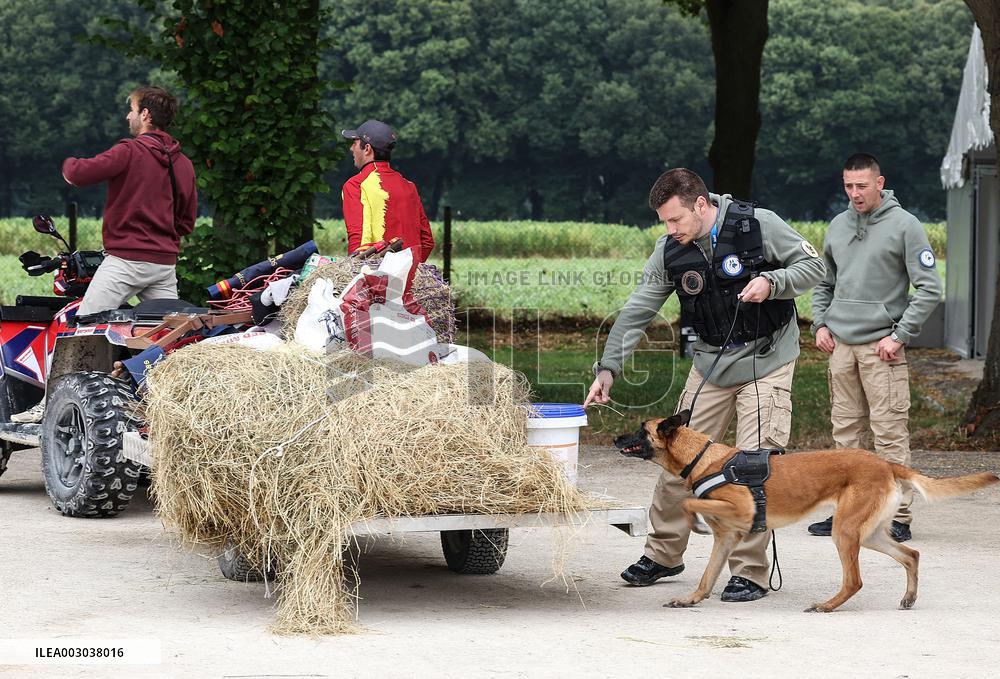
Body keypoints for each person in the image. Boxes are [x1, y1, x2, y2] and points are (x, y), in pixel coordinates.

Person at [584, 168, 825, 601]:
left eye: (675, 219)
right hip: (711, 363)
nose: (670, 229)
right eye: (664, 222)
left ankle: (749, 571)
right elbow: (637, 310)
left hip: (766, 359)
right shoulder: (669, 251)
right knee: (673, 454)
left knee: (754, 469)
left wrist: (773, 282)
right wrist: (608, 369)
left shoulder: (758, 225)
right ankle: (663, 555)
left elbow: (814, 267)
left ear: (700, 204)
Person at [11, 85, 196, 424]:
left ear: (146, 115)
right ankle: (166, 414)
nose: (127, 115)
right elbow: (186, 221)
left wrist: (65, 160)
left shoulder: (129, 151)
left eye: (132, 109)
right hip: (164, 266)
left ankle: (52, 406)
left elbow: (76, 174)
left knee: (77, 332)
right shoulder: (182, 164)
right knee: (166, 341)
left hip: (124, 263)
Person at [808, 153, 942, 543]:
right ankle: (846, 512)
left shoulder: (905, 226)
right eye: (848, 186)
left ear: (879, 183)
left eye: (862, 185)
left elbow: (930, 288)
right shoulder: (837, 225)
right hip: (841, 346)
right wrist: (820, 324)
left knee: (888, 433)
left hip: (883, 345)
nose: (854, 193)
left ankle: (897, 516)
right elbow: (824, 283)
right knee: (845, 433)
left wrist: (899, 335)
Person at [340, 120, 435, 263]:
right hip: (411, 277)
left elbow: (358, 241)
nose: (351, 149)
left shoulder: (356, 185)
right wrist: (411, 271)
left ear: (367, 149)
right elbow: (427, 241)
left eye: (354, 143)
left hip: (376, 278)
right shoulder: (409, 186)